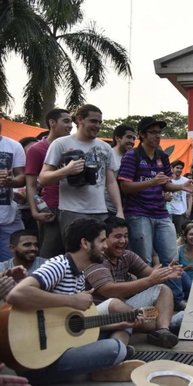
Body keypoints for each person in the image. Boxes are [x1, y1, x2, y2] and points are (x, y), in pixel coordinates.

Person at [5, 219, 134, 384]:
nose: (105, 246)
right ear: (85, 243)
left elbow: (73, 325)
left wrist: (118, 324)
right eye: (101, 240)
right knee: (114, 348)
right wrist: (72, 300)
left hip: (60, 345)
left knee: (126, 323)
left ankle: (103, 363)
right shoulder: (59, 265)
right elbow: (17, 294)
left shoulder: (79, 274)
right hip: (39, 360)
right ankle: (106, 363)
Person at [84, 217, 182, 347]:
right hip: (101, 311)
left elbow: (149, 274)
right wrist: (150, 280)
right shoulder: (96, 258)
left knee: (163, 289)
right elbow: (109, 290)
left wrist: (166, 273)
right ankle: (163, 322)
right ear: (104, 239)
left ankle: (163, 331)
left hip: (124, 308)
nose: (123, 241)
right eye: (117, 237)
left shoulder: (127, 255)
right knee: (118, 305)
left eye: (125, 236)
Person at [39, 104, 123, 242]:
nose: (97, 125)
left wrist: (119, 211)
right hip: (71, 211)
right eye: (93, 121)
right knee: (76, 255)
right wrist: (67, 170)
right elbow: (42, 179)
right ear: (79, 119)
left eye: (100, 122)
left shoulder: (105, 147)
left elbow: (111, 182)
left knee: (100, 254)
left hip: (100, 211)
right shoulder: (60, 143)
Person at [118, 117, 193, 266]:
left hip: (161, 212)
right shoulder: (132, 155)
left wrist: (181, 186)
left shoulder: (163, 156)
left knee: (172, 260)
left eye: (159, 132)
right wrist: (151, 182)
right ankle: (145, 289)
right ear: (142, 134)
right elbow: (124, 187)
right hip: (138, 213)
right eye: (152, 132)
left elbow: (165, 184)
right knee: (143, 261)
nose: (158, 136)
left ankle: (174, 291)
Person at [24, 109, 72, 258]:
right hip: (51, 209)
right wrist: (34, 212)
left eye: (71, 122)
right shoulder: (37, 149)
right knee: (49, 255)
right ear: (52, 123)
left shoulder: (74, 147)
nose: (70, 125)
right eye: (66, 121)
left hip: (76, 207)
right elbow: (31, 184)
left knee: (74, 253)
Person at [0, 120, 27, 262]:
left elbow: (21, 176)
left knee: (12, 264)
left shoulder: (13, 146)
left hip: (8, 217)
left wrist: (12, 182)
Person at [105, 124, 136, 217]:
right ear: (118, 138)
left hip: (130, 209)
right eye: (129, 137)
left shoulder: (134, 158)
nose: (132, 141)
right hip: (108, 209)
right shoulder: (108, 155)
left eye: (134, 138)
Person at [166, 160, 193, 235]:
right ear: (172, 168)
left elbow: (190, 196)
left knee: (180, 234)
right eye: (177, 168)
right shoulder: (167, 180)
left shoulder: (186, 180)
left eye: (181, 168)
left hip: (181, 212)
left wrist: (189, 210)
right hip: (168, 211)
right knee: (169, 234)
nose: (179, 170)